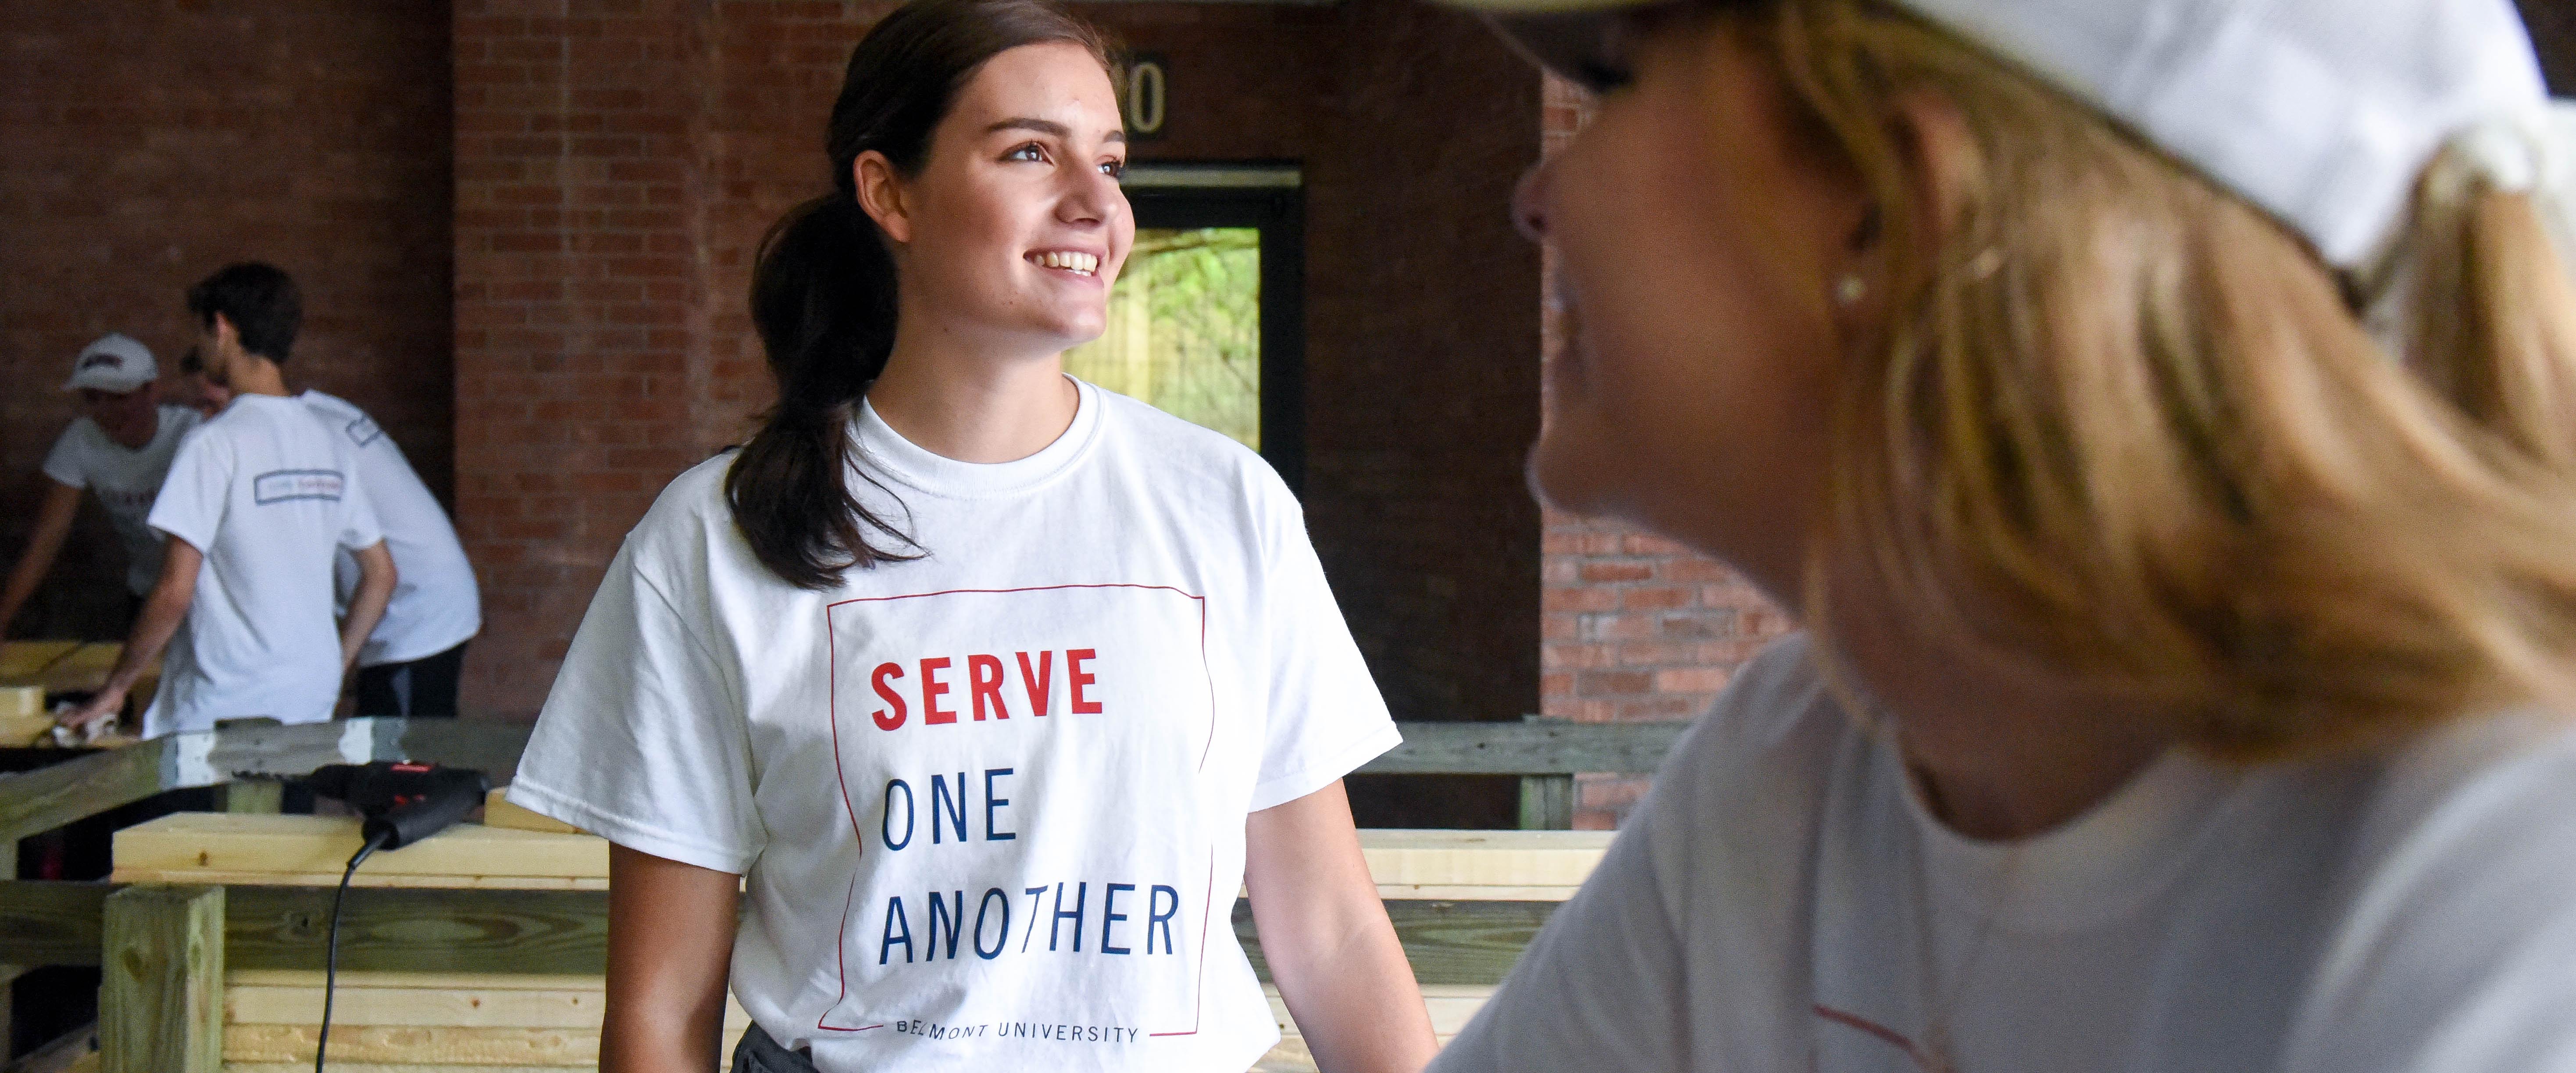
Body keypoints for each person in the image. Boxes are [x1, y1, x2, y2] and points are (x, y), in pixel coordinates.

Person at [1420, 0, 2576, 1070]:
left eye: (1616, 81)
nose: (1536, 194)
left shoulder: (2514, 866)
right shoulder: (1796, 776)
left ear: (1891, 207)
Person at [502, 2, 1437, 1070]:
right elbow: (663, 1009)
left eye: (1114, 162)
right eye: (1031, 152)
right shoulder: (713, 539)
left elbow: (1331, 930)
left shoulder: (1225, 503)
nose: (1094, 202)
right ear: (888, 190)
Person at [61, 263, 398, 739]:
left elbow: (175, 589)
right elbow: (381, 573)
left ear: (222, 328)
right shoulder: (329, 439)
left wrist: (117, 687)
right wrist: (333, 665)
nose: (199, 347)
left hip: (220, 713)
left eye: (200, 333)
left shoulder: (213, 443)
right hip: (307, 705)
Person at [184, 339, 480, 717]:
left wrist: (334, 667)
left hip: (417, 608)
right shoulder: (317, 413)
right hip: (414, 595)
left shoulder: (302, 435)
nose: (207, 420)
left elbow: (375, 572)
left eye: (211, 405)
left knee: (403, 762)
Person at [0, 333, 204, 637]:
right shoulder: (81, 440)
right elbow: (47, 540)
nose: (106, 411)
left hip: (206, 593)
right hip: (148, 590)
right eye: (93, 398)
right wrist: (4, 617)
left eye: (120, 396)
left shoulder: (193, 432)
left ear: (152, 390)